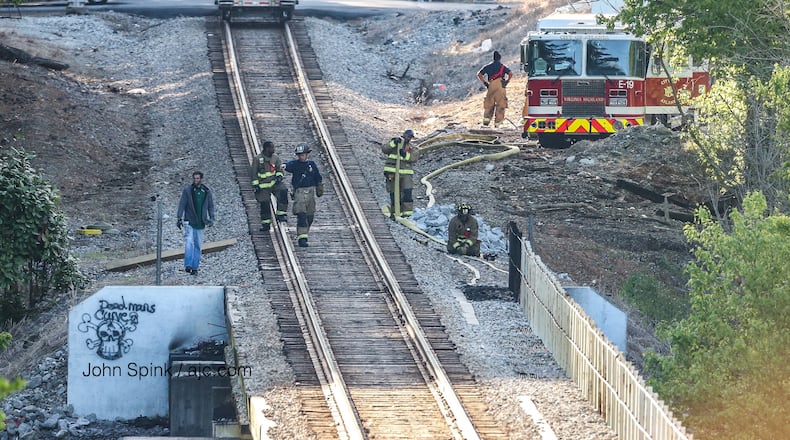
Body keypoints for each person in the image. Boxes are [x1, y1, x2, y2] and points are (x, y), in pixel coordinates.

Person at [282, 143, 323, 247]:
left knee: (310, 216)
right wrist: (284, 165)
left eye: (303, 155)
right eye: (299, 155)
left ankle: (304, 233)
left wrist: (319, 186)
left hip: (310, 192)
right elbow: (288, 165)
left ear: (306, 154)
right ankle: (302, 238)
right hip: (299, 192)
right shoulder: (295, 164)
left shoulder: (311, 165)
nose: (301, 157)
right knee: (302, 215)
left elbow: (317, 176)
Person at [176, 170, 215, 275]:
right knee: (189, 242)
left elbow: (210, 206)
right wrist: (179, 217)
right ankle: (188, 264)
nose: (196, 180)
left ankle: (195, 267)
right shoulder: (188, 190)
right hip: (189, 220)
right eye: (194, 178)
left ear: (201, 179)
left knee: (197, 245)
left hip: (201, 222)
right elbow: (182, 204)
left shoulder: (206, 191)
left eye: (198, 178)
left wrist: (212, 218)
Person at [251, 140, 288, 232]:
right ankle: (266, 223)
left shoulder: (275, 158)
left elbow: (279, 169)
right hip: (262, 185)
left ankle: (281, 214)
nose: (273, 149)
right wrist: (256, 185)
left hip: (274, 183)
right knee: (264, 203)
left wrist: (279, 176)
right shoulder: (257, 159)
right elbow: (253, 173)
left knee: (283, 191)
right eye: (271, 147)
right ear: (266, 148)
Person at [382, 129, 420, 217]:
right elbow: (385, 149)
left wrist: (405, 154)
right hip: (392, 173)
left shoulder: (411, 148)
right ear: (404, 134)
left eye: (410, 137)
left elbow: (414, 157)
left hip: (406, 175)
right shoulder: (394, 143)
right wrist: (394, 143)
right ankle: (395, 213)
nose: (408, 138)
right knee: (394, 193)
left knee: (407, 193)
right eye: (407, 136)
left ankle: (407, 214)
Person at [477, 50, 513, 128]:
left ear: (493, 58)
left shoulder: (488, 66)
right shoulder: (502, 67)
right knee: (501, 106)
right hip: (500, 87)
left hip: (491, 86)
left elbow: (479, 74)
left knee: (489, 106)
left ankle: (485, 124)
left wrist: (485, 83)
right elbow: (510, 73)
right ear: (500, 58)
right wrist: (507, 81)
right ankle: (497, 125)